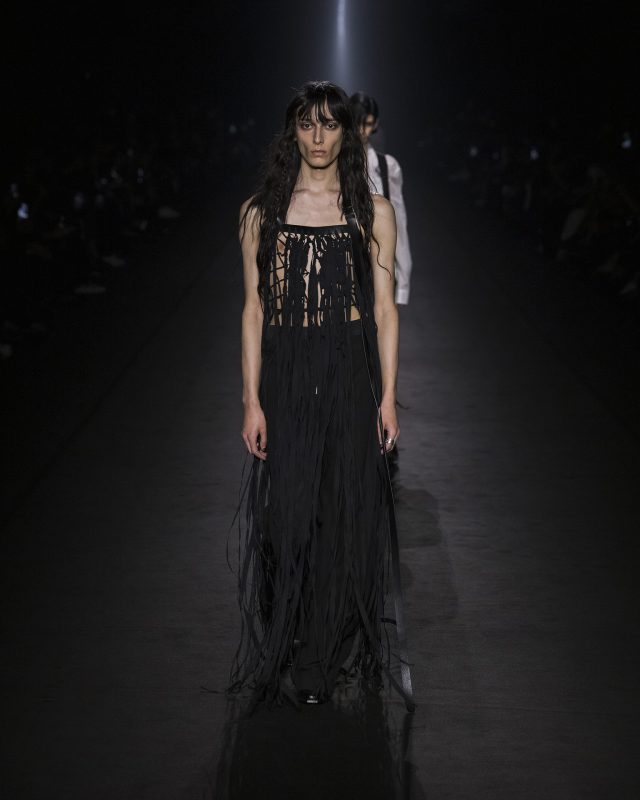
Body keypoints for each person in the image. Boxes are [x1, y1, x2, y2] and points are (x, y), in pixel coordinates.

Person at [232, 81, 403, 708]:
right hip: (286, 365)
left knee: (339, 517)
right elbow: (252, 310)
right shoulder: (261, 212)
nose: (320, 137)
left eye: (331, 125)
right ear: (292, 132)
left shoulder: (370, 212)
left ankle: (317, 658)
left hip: (346, 366)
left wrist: (387, 397)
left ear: (346, 132)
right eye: (308, 124)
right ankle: (291, 630)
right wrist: (252, 400)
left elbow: (385, 311)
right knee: (285, 521)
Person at [349, 92, 413, 305]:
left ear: (375, 124)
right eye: (356, 122)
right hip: (337, 268)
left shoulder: (388, 168)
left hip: (376, 270)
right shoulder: (328, 166)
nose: (361, 130)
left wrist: (402, 281)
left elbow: (399, 224)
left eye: (366, 124)